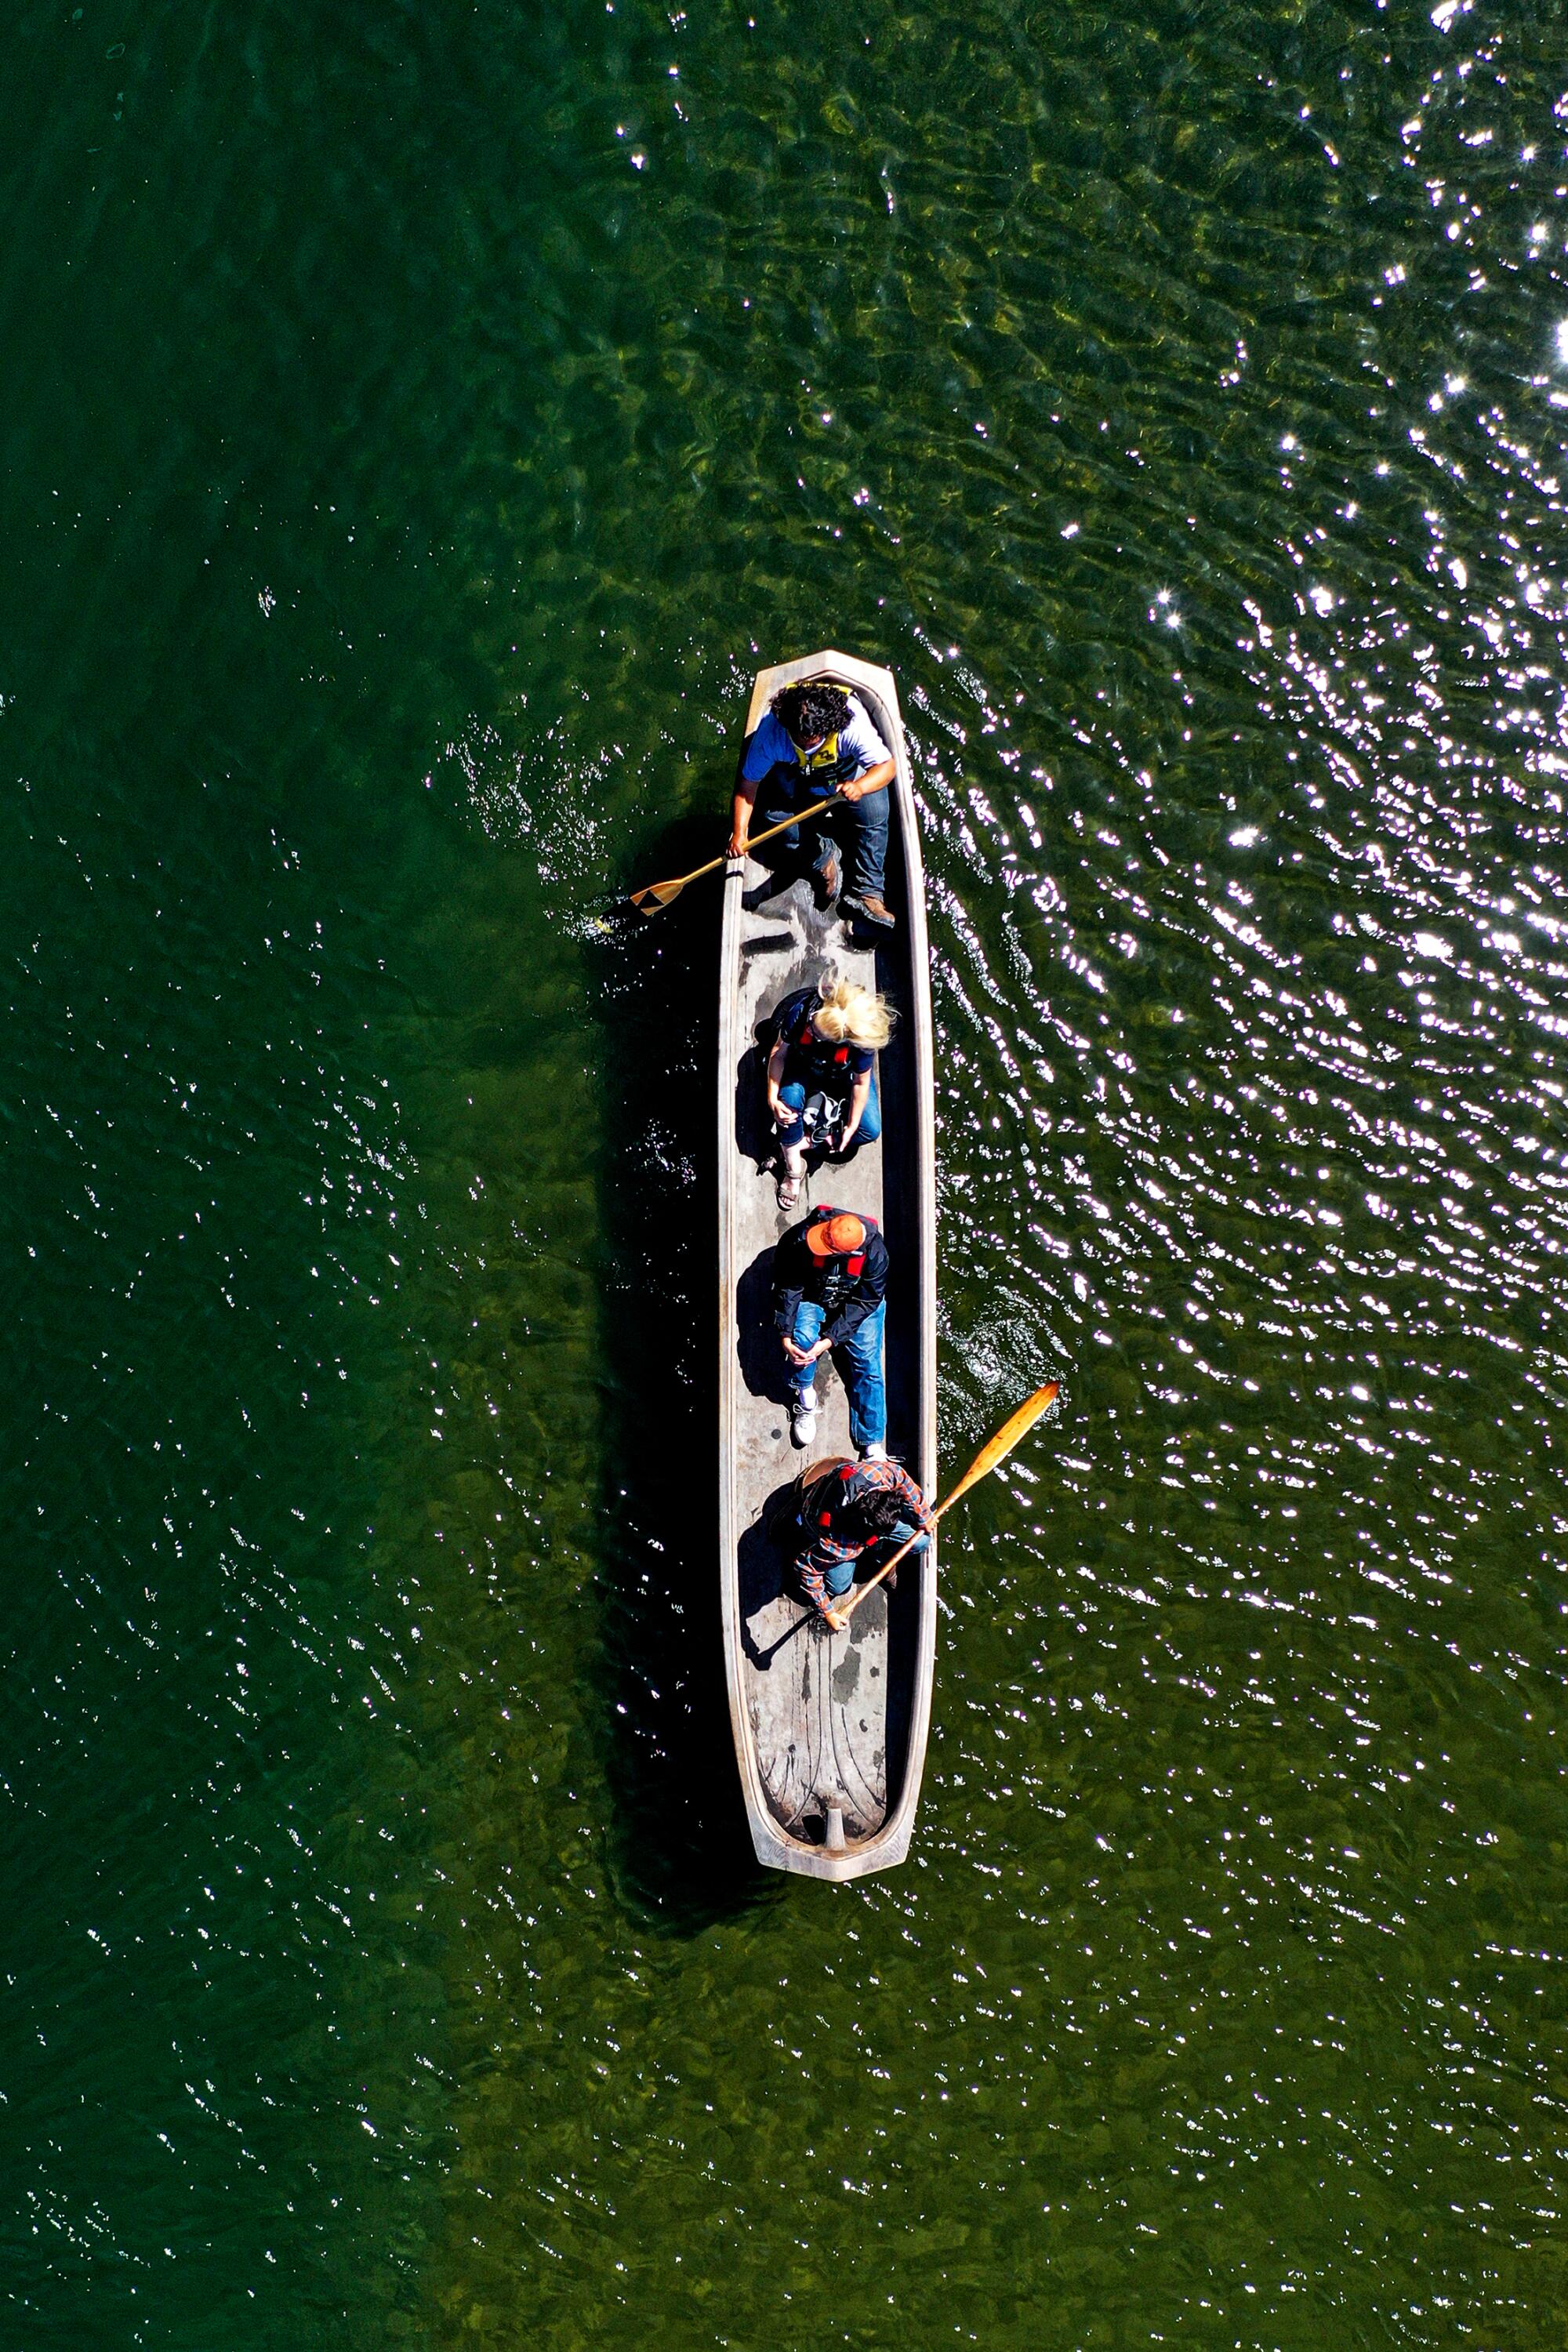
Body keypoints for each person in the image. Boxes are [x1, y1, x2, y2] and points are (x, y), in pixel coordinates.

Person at [728, 679, 898, 931]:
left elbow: (887, 767)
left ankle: (868, 894)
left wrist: (859, 787)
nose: (807, 743)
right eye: (800, 738)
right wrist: (740, 833)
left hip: (845, 783)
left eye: (813, 738)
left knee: (875, 813)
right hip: (799, 785)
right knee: (773, 822)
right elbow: (747, 787)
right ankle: (823, 857)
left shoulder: (852, 727)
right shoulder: (772, 734)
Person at [765, 975, 893, 1210]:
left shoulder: (859, 1045)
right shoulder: (802, 1013)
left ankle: (798, 1143)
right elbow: (778, 1054)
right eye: (813, 1025)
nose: (812, 1029)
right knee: (787, 1103)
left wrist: (852, 1126)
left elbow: (860, 1083)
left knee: (870, 1129)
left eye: (818, 1034)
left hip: (839, 1076)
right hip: (803, 1067)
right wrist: (772, 1097)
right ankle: (794, 1169)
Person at [773, 1207, 889, 1454]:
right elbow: (789, 1286)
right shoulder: (799, 1239)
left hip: (855, 1304)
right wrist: (785, 1332)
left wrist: (829, 1340)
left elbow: (866, 1302)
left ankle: (871, 1442)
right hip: (812, 1298)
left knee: (869, 1366)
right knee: (802, 1340)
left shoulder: (876, 1255)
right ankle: (805, 1399)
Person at [786, 1454, 934, 1628]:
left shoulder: (878, 1474)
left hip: (859, 1516)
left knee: (922, 1540)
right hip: (820, 1520)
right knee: (838, 1588)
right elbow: (806, 1568)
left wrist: (924, 1515)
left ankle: (880, 1559)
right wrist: (828, 1612)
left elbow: (902, 1480)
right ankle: (790, 1519)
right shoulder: (838, 1544)